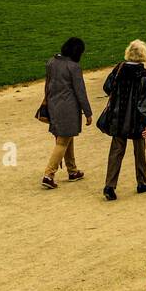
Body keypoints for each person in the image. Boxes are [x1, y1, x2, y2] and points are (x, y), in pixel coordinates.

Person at [99, 39, 146, 201]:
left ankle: (110, 185)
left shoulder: (119, 68)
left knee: (116, 152)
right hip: (136, 119)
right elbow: (144, 103)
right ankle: (141, 182)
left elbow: (107, 87)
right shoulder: (143, 74)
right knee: (139, 151)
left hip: (118, 117)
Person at [40, 37, 93, 190]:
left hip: (53, 105)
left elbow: (47, 85)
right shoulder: (74, 67)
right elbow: (80, 92)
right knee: (62, 141)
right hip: (68, 109)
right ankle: (48, 174)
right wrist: (87, 112)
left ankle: (72, 170)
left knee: (66, 136)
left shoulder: (51, 62)